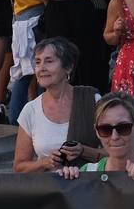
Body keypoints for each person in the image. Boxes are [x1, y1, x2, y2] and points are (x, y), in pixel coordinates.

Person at [12, 38, 103, 173]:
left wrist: (83, 151)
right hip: (49, 189)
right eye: (38, 62)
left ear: (68, 67)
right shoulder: (30, 110)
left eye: (49, 61)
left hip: (88, 185)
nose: (42, 68)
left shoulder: (92, 100)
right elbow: (19, 167)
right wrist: (44, 163)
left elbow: (117, 154)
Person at [59, 93, 134, 180]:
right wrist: (67, 181)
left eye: (123, 128)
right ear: (96, 131)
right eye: (105, 129)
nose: (114, 136)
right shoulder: (87, 173)